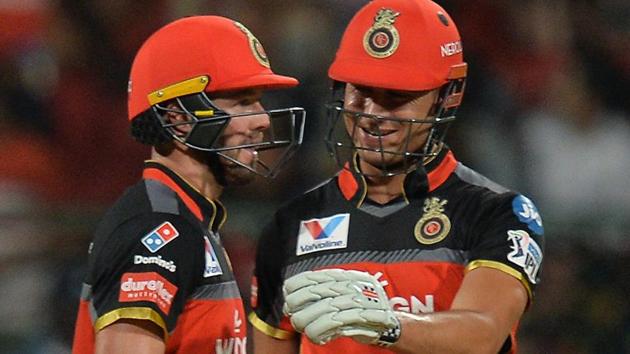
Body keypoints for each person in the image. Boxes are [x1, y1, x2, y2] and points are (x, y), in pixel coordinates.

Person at [249, 1, 544, 353]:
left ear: (447, 96)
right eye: (360, 91)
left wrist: (387, 323)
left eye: (397, 97)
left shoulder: (497, 213)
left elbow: (483, 333)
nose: (371, 114)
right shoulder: (290, 225)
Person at [71, 15, 305, 354]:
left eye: (257, 100)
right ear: (178, 119)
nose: (262, 119)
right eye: (242, 101)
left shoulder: (189, 221)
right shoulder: (157, 229)